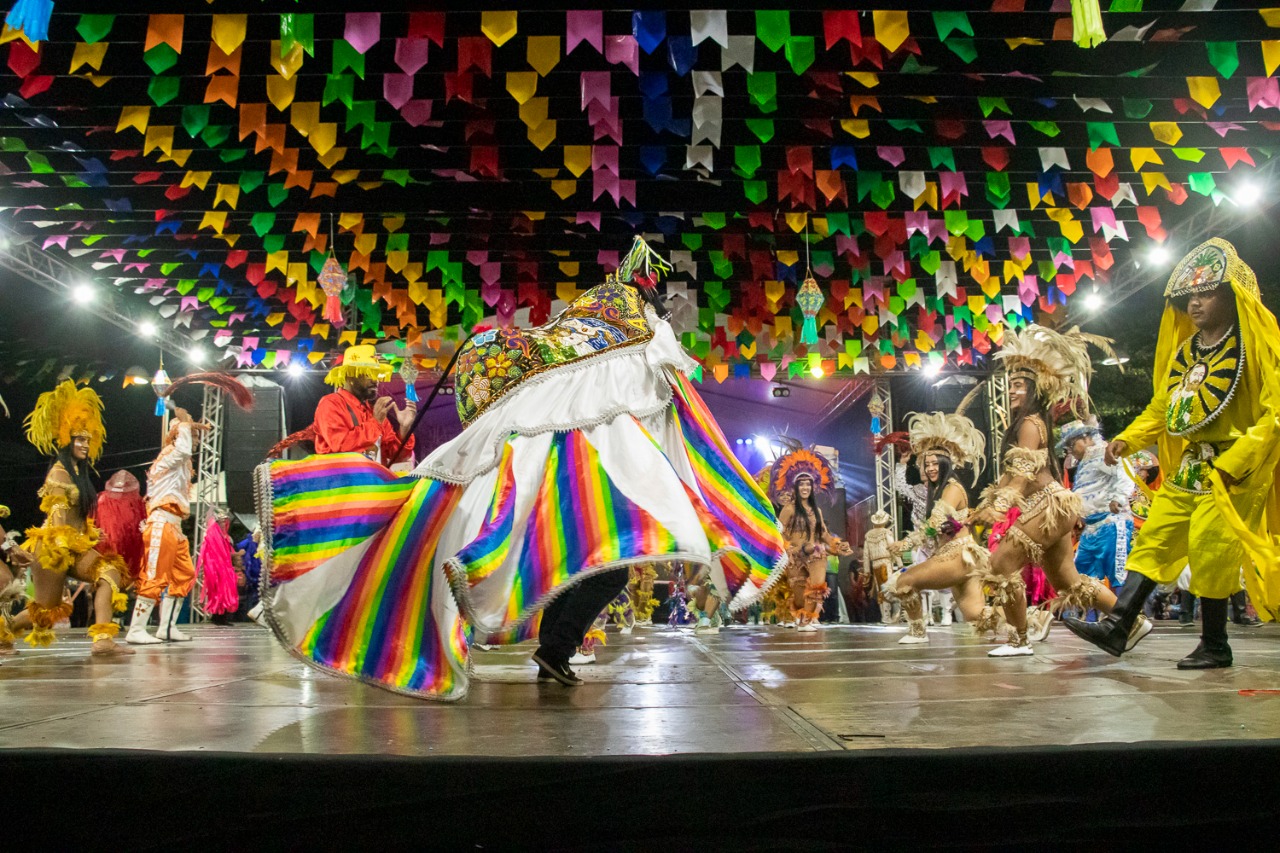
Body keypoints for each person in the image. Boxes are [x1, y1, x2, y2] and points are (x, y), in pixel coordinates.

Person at [252, 238, 787, 699]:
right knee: (606, 564)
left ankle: (556, 646)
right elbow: (654, 391)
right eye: (657, 299)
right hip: (560, 460)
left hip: (576, 466)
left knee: (606, 565)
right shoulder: (624, 333)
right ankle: (552, 644)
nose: (660, 311)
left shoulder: (608, 338)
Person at [1065, 239, 1280, 668]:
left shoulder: (1255, 347)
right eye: (1191, 296)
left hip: (1233, 469)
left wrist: (1239, 463)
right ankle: (1118, 626)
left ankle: (1216, 644)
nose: (1195, 304)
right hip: (1188, 470)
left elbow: (1275, 414)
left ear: (1231, 295)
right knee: (1155, 539)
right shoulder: (1187, 352)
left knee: (1209, 550)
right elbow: (1164, 408)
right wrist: (1128, 438)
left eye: (1206, 293)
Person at [969, 325, 1148, 656]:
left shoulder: (1028, 423)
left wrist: (1000, 505)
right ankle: (1131, 622)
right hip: (1057, 506)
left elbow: (1022, 472)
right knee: (1068, 581)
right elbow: (1017, 475)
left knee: (1001, 564)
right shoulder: (1034, 422)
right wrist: (990, 502)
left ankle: (1019, 639)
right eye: (1010, 385)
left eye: (1019, 385)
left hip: (1048, 505)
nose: (1012, 391)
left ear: (1036, 389)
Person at [18, 381, 132, 655]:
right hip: (52, 550)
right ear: (66, 441)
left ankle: (103, 639)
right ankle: (3, 630)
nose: (85, 444)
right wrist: (66, 545)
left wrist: (90, 536)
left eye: (87, 440)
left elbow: (75, 519)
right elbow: (58, 520)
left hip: (74, 546)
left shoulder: (79, 475)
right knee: (45, 612)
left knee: (109, 572)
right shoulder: (58, 475)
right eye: (79, 439)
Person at [881, 402, 988, 645]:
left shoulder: (952, 488)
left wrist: (905, 543)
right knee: (977, 615)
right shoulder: (934, 491)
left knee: (901, 582)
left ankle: (918, 632)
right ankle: (1033, 620)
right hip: (954, 557)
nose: (929, 468)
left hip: (957, 556)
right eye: (926, 464)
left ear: (946, 463)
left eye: (934, 463)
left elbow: (935, 522)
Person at [126, 410, 210, 644]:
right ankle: (136, 630)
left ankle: (167, 628)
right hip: (162, 522)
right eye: (192, 435)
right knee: (154, 576)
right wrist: (183, 424)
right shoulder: (170, 455)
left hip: (175, 526)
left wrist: (186, 424)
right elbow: (183, 449)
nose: (195, 440)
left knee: (184, 574)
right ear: (178, 436)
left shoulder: (181, 462)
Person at [1057, 419, 1136, 610]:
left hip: (1111, 523)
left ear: (1084, 438)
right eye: (1067, 446)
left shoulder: (1103, 452)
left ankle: (1123, 615)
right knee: (1082, 573)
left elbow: (1124, 474)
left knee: (1117, 572)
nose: (1070, 450)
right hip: (1092, 528)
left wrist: (1118, 498)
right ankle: (1089, 615)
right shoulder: (1085, 461)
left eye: (1071, 444)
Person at [775, 456, 853, 633]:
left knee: (817, 588)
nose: (805, 488)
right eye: (801, 484)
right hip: (795, 556)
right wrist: (789, 548)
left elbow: (823, 534)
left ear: (812, 487)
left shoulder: (816, 511)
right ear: (796, 488)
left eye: (808, 484)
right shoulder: (788, 510)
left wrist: (837, 544)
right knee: (799, 592)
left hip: (815, 552)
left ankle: (806, 620)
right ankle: (802, 617)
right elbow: (778, 533)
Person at [313, 344, 417, 467]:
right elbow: (341, 446)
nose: (375, 380)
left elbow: (396, 456)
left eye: (376, 374)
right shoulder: (331, 403)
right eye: (368, 374)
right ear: (350, 375)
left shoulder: (374, 411)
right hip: (340, 484)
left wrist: (404, 429)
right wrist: (375, 423)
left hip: (372, 483)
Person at [862, 510, 901, 624]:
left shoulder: (868, 535)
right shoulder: (886, 533)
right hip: (885, 562)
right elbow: (892, 547)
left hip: (875, 564)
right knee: (889, 588)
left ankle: (886, 616)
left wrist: (867, 571)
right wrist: (900, 563)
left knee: (881, 589)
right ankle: (891, 615)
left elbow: (866, 555)